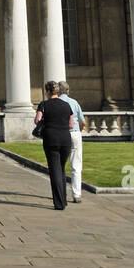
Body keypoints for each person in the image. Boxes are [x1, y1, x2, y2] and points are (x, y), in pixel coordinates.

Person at [34, 80, 75, 210]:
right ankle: (64, 199)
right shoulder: (66, 105)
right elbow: (71, 125)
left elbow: (37, 120)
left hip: (51, 138)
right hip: (65, 139)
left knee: (55, 170)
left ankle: (59, 203)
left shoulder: (44, 104)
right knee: (61, 168)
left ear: (47, 92)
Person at [60, 79, 86, 203]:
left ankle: (61, 193)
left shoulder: (56, 102)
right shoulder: (74, 102)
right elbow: (83, 121)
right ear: (68, 90)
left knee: (60, 165)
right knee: (76, 165)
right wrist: (78, 130)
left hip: (61, 134)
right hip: (75, 133)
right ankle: (76, 194)